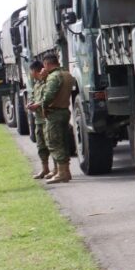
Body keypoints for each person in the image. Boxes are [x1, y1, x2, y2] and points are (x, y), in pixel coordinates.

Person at [36, 53, 75, 184]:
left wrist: (42, 106)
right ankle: (63, 171)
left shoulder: (53, 77)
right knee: (62, 141)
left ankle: (62, 173)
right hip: (64, 111)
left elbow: (49, 95)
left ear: (47, 64)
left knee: (53, 142)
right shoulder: (66, 74)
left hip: (55, 113)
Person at [25, 60, 50, 178]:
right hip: (38, 119)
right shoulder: (36, 84)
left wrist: (37, 105)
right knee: (41, 146)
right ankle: (45, 169)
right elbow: (33, 96)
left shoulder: (47, 82)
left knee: (52, 144)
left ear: (35, 71)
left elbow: (49, 98)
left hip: (47, 119)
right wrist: (31, 103)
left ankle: (56, 170)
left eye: (31, 71)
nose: (31, 74)